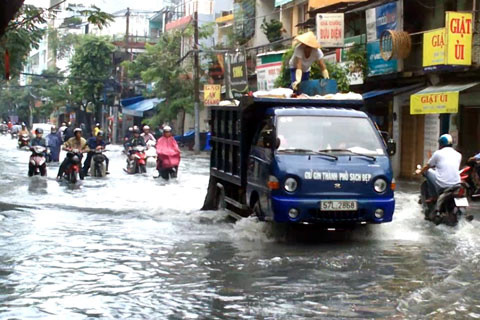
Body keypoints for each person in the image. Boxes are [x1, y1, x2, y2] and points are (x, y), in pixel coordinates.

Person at [419, 134, 462, 200]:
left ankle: (433, 196)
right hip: (457, 184)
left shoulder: (438, 153)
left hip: (443, 185)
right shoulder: (458, 155)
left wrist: (420, 171)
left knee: (427, 171)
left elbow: (427, 166)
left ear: (441, 144)